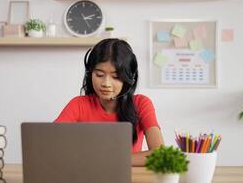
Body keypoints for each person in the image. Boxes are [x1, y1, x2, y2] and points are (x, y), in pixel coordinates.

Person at [54, 38, 164, 166]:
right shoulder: (78, 104)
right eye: (99, 75)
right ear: (90, 74)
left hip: (128, 180)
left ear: (129, 78)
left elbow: (160, 154)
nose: (106, 83)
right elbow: (53, 144)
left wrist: (107, 159)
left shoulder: (141, 103)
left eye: (116, 77)